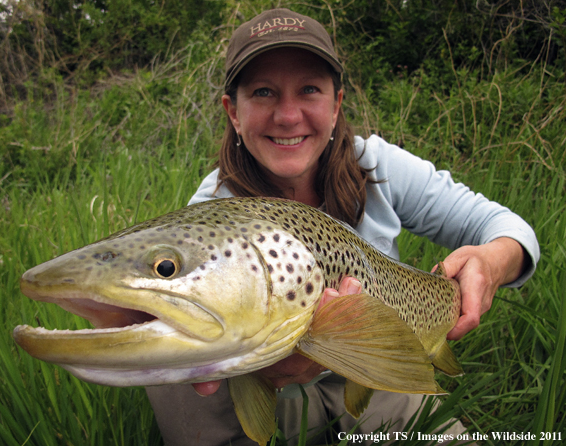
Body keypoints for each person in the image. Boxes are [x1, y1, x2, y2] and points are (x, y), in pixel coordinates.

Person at [146, 8, 540, 445]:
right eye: (263, 92)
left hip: (380, 376)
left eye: (309, 90)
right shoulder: (209, 218)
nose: (288, 115)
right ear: (233, 113)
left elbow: (508, 228)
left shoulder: (377, 165)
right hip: (279, 397)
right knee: (169, 356)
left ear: (336, 106)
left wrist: (490, 261)